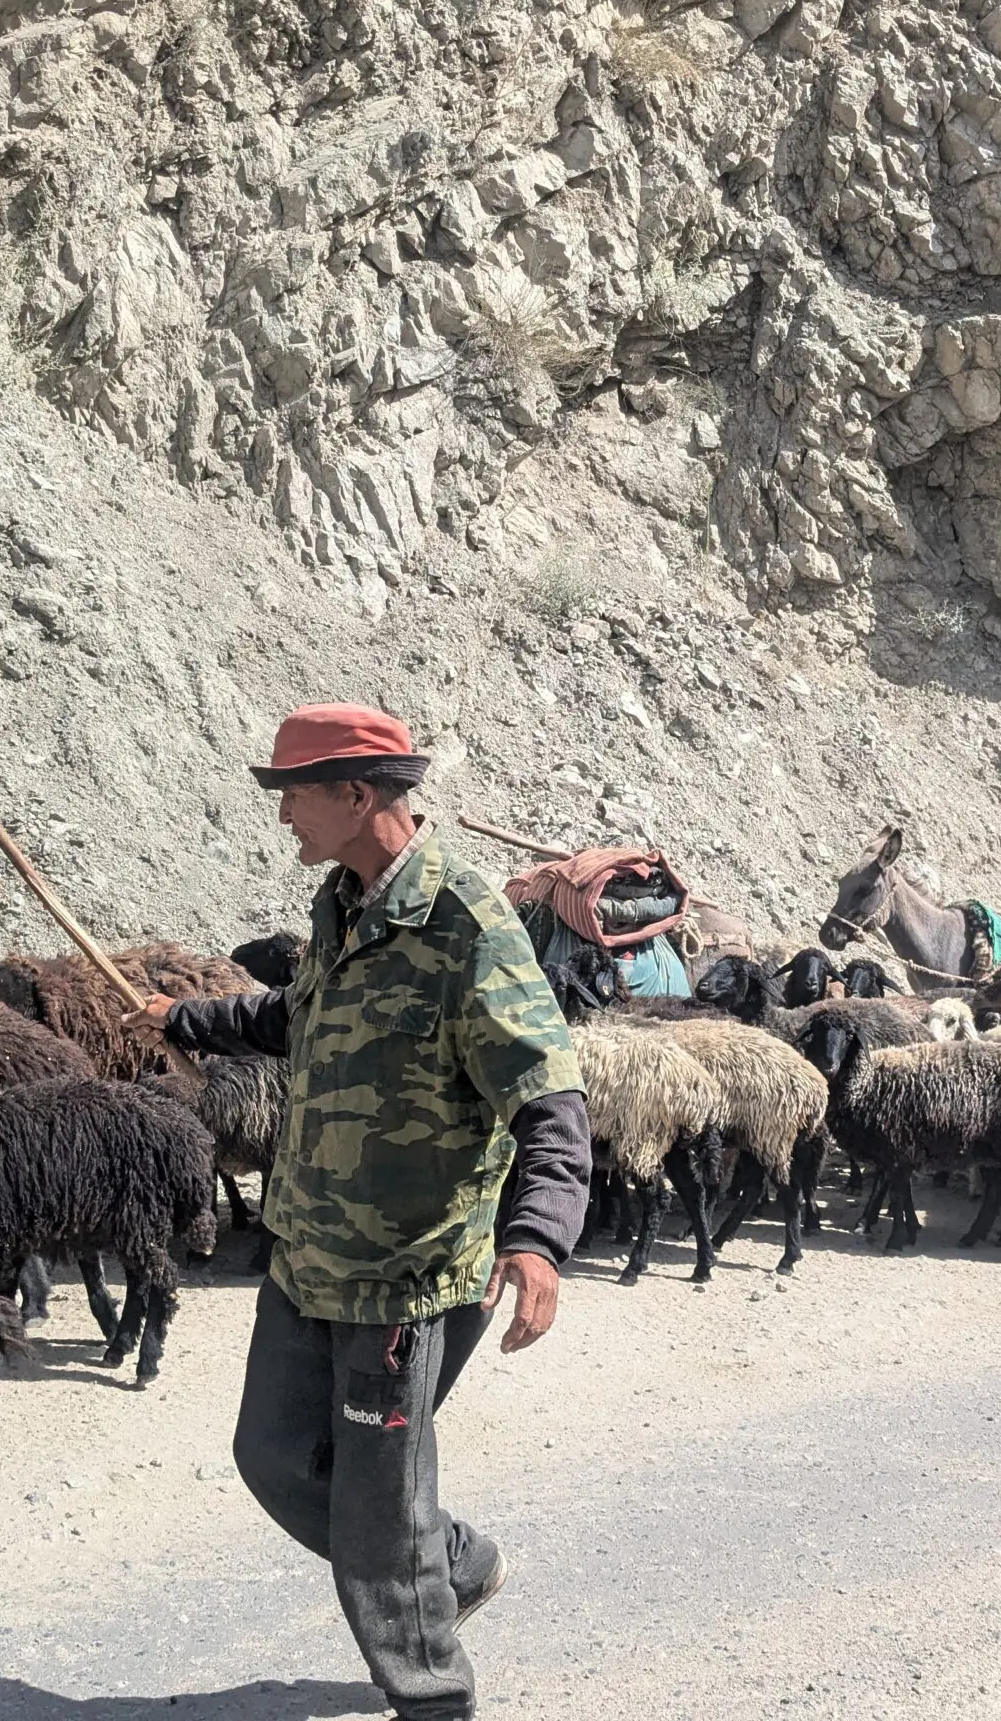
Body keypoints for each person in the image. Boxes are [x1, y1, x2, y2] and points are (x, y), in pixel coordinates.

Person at [134, 704, 590, 1721]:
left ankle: (432, 1698)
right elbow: (298, 1019)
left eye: (292, 791)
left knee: (377, 1506)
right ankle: (456, 1565)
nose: (283, 813)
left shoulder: (464, 924)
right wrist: (183, 1019)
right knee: (274, 1458)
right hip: (308, 1255)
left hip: (406, 1276)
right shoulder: (342, 906)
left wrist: (538, 1241)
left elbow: (547, 1095)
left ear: (356, 794)